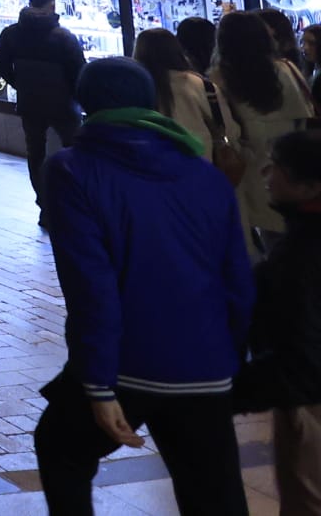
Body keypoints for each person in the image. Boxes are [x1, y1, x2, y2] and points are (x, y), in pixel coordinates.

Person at [34, 60, 253, 516]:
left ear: (84, 102)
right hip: (206, 361)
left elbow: (91, 286)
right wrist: (229, 361)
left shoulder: (72, 170)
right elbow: (237, 278)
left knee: (62, 448)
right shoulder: (204, 173)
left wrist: (97, 385)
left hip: (127, 363)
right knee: (215, 495)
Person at [235, 128, 321, 516]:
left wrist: (239, 392)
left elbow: (301, 349)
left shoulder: (303, 253)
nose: (265, 173)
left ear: (310, 186)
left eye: (277, 167)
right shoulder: (300, 242)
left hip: (309, 401)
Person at [212, 10, 320, 256]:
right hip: (295, 166)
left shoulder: (219, 79)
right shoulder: (286, 69)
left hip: (250, 170)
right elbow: (305, 114)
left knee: (267, 242)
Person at [0, 0, 87, 215]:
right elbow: (79, 71)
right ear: (52, 5)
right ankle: (76, 201)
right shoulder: (63, 37)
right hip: (63, 104)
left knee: (35, 153)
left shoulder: (11, 33)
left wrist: (19, 83)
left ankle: (45, 204)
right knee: (77, 150)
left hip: (30, 102)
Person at [135, 26, 215, 150]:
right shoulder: (202, 85)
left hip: (152, 158)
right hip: (200, 157)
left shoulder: (134, 88)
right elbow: (227, 127)